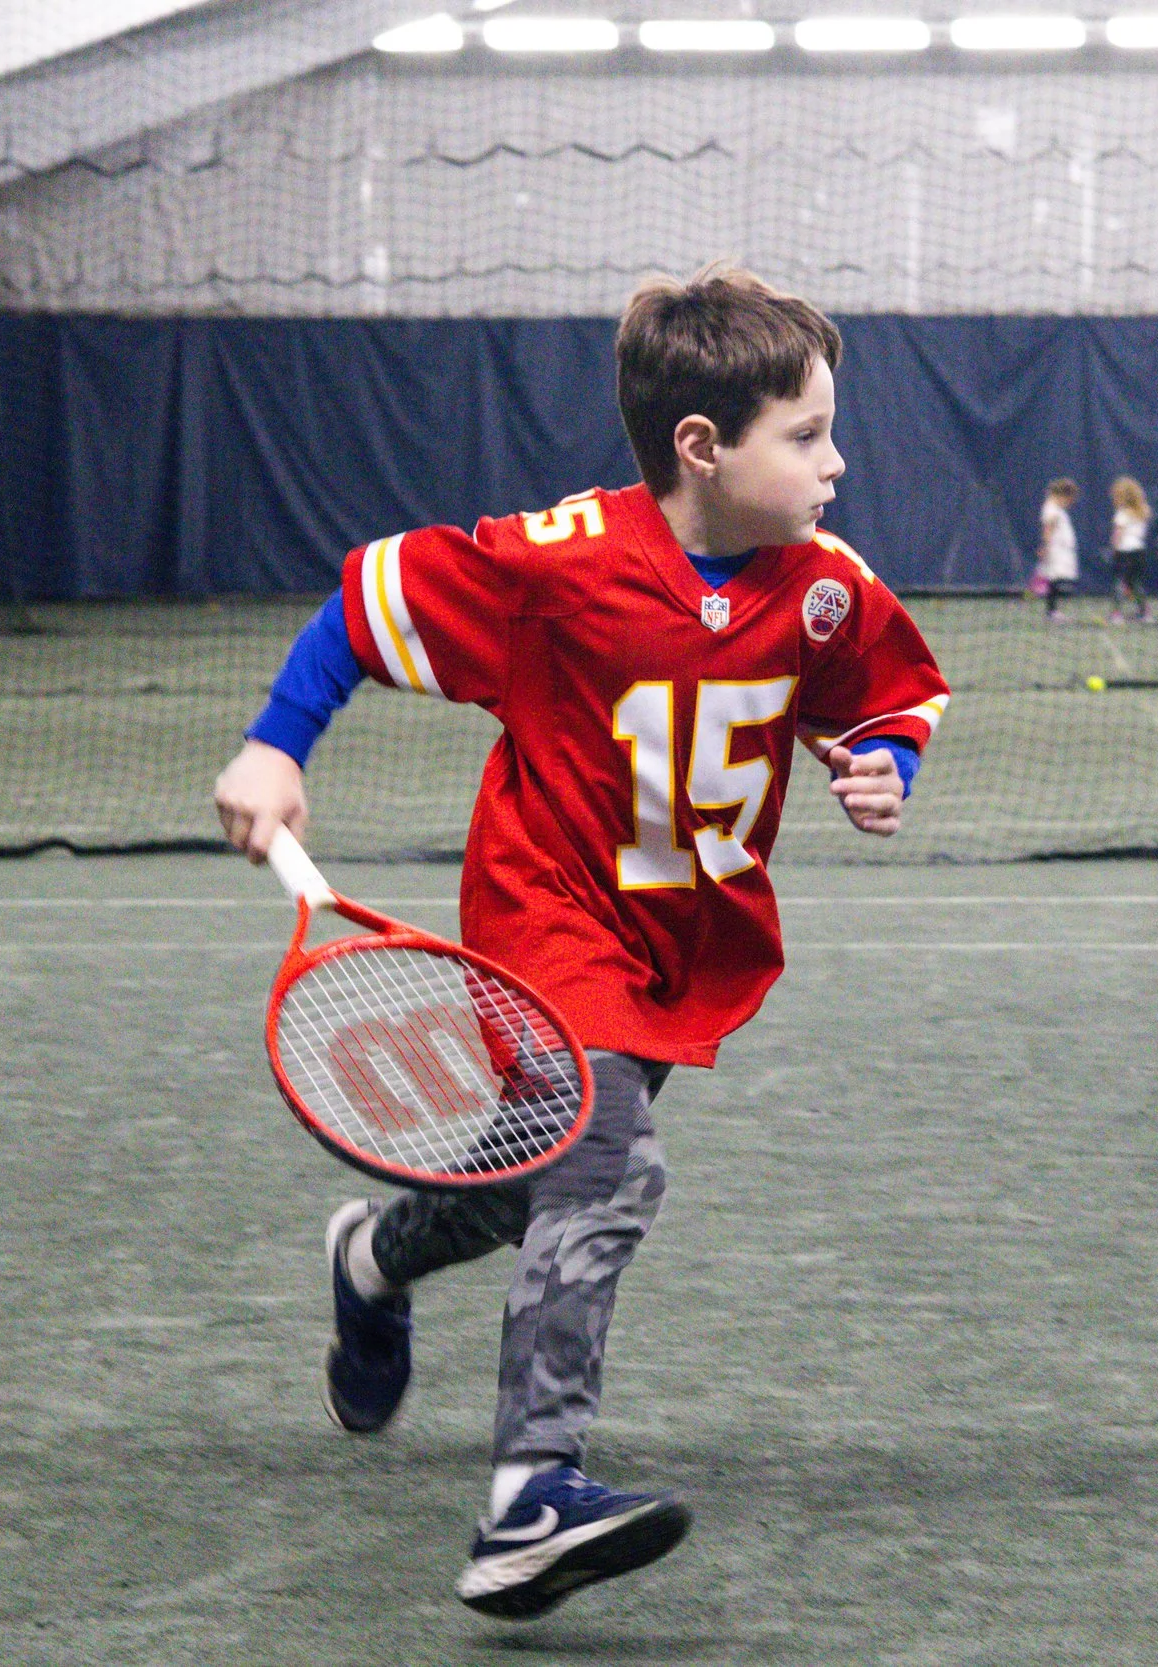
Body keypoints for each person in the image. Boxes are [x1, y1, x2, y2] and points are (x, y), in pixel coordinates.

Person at [210, 265, 949, 1622]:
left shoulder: (823, 587)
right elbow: (365, 603)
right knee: (607, 1165)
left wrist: (885, 762)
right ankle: (529, 1495)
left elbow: (888, 693)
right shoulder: (552, 565)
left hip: (686, 944)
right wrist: (274, 743)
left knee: (523, 1187)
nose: (838, 462)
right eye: (808, 435)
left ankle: (371, 1258)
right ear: (702, 447)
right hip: (549, 920)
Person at [1107, 475, 1152, 624]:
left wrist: (1113, 549)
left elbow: (1117, 534)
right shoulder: (1143, 511)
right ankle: (1145, 613)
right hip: (1139, 553)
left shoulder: (1122, 513)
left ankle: (1117, 614)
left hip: (1124, 553)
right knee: (1136, 583)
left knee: (1119, 583)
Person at [1036, 478, 1079, 620]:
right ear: (1062, 496)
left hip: (1059, 549)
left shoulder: (1055, 508)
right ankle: (1051, 611)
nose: (1069, 504)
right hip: (1055, 550)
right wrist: (1045, 547)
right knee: (1054, 579)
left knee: (1055, 579)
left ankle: (1052, 610)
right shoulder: (1051, 509)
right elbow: (1048, 529)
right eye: (1069, 500)